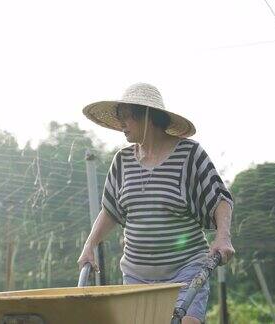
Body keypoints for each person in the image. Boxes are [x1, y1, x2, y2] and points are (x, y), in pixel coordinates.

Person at [78, 83, 235, 324]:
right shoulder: (122, 161)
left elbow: (220, 199)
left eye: (126, 117)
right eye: (119, 117)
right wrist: (89, 246)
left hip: (186, 271)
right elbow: (110, 211)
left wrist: (223, 237)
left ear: (147, 116)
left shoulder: (189, 155)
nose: (121, 125)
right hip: (136, 277)